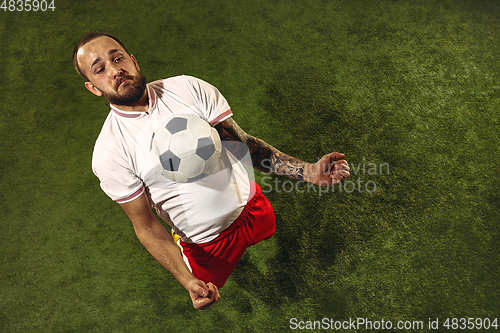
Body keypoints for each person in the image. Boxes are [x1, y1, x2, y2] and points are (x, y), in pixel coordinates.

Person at [73, 32, 350, 311]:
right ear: (93, 87)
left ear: (133, 60)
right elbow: (145, 226)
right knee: (208, 288)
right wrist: (186, 280)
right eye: (100, 69)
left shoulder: (186, 89)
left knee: (268, 231)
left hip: (252, 207)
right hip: (207, 247)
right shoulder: (110, 152)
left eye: (117, 57)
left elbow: (243, 145)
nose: (115, 70)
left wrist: (309, 172)